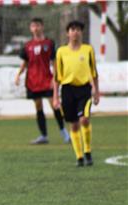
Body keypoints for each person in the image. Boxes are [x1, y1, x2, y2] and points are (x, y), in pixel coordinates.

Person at [53, 21, 101, 167]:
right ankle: (79, 157)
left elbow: (94, 72)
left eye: (78, 29)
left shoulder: (88, 50)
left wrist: (96, 92)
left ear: (81, 32)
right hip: (67, 90)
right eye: (73, 29)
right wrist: (55, 97)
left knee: (84, 119)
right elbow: (57, 77)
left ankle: (87, 151)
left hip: (84, 89)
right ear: (68, 33)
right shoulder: (61, 51)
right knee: (73, 125)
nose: (75, 32)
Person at [15, 18, 70, 145]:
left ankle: (65, 134)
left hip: (46, 79)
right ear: (30, 28)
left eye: (38, 25)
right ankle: (43, 135)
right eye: (33, 26)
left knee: (54, 105)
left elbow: (54, 62)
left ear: (42, 27)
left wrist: (54, 78)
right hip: (33, 80)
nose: (36, 28)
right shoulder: (28, 45)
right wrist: (18, 75)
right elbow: (25, 63)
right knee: (38, 106)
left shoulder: (49, 43)